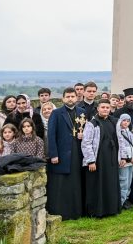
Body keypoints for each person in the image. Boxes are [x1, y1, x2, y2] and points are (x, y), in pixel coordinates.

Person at [47, 87, 86, 220]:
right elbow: (51, 135)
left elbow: (87, 130)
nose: (70, 99)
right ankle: (62, 212)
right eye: (68, 97)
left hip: (78, 152)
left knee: (76, 181)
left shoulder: (82, 112)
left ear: (77, 97)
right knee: (62, 183)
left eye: (72, 96)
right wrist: (53, 154)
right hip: (62, 152)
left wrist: (84, 135)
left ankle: (77, 211)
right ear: (63, 99)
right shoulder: (56, 113)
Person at [81, 100, 120, 218]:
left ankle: (111, 209)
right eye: (103, 107)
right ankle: (96, 211)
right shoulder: (92, 124)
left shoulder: (114, 122)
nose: (105, 109)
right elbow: (86, 143)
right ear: (98, 109)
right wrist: (91, 161)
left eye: (107, 107)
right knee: (97, 184)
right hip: (98, 158)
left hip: (111, 157)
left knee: (110, 183)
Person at [116, 113, 133, 210]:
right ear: (120, 121)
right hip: (123, 162)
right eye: (124, 120)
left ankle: (126, 199)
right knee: (123, 181)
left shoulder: (130, 133)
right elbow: (119, 148)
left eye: (128, 121)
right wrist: (125, 159)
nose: (126, 123)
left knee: (129, 181)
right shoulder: (117, 133)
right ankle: (121, 202)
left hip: (132, 161)